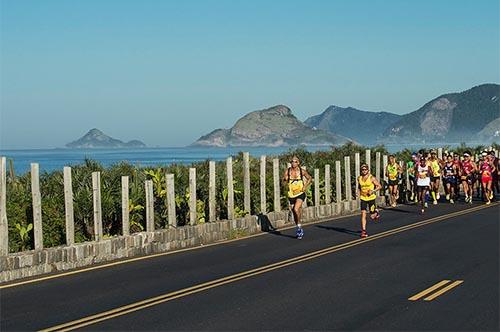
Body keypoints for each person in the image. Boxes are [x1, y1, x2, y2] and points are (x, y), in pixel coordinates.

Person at [282, 156, 312, 239]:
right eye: (292, 161)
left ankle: (299, 228)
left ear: (298, 163)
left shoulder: (302, 171)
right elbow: (283, 183)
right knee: (294, 212)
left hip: (300, 193)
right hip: (291, 194)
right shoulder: (287, 171)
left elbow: (309, 178)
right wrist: (285, 180)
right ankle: (299, 227)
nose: (293, 163)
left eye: (295, 162)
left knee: (296, 209)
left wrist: (305, 186)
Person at [357, 164, 382, 238]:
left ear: (368, 170)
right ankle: (363, 231)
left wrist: (373, 191)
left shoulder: (371, 178)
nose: (364, 171)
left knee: (372, 216)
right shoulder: (359, 178)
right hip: (363, 198)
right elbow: (359, 187)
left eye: (365, 169)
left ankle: (376, 212)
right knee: (363, 214)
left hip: (371, 198)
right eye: (362, 170)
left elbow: (379, 186)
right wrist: (358, 193)